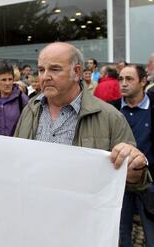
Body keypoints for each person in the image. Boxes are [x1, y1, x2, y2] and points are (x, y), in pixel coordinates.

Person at [14, 42, 150, 191]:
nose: (45, 77)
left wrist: (134, 169)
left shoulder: (110, 117)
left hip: (82, 211)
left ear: (77, 72)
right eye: (41, 70)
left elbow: (136, 179)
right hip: (33, 206)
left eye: (55, 69)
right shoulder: (29, 110)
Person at [108, 65, 154, 247]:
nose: (123, 84)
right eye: (120, 79)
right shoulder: (111, 111)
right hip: (119, 184)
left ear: (143, 81)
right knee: (120, 234)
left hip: (149, 182)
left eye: (129, 79)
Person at [0, 63, 29, 136]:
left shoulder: (22, 99)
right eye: (3, 80)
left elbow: (27, 126)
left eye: (10, 79)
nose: (7, 83)